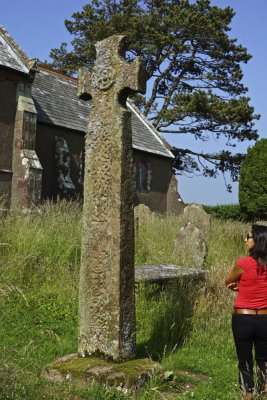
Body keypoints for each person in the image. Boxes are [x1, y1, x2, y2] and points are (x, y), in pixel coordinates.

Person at [226, 224, 267, 400]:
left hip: (243, 317)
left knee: (244, 359)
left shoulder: (242, 263)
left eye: (248, 237)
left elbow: (228, 281)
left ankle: (248, 395)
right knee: (264, 359)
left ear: (257, 240)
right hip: (265, 318)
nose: (245, 239)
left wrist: (239, 286)